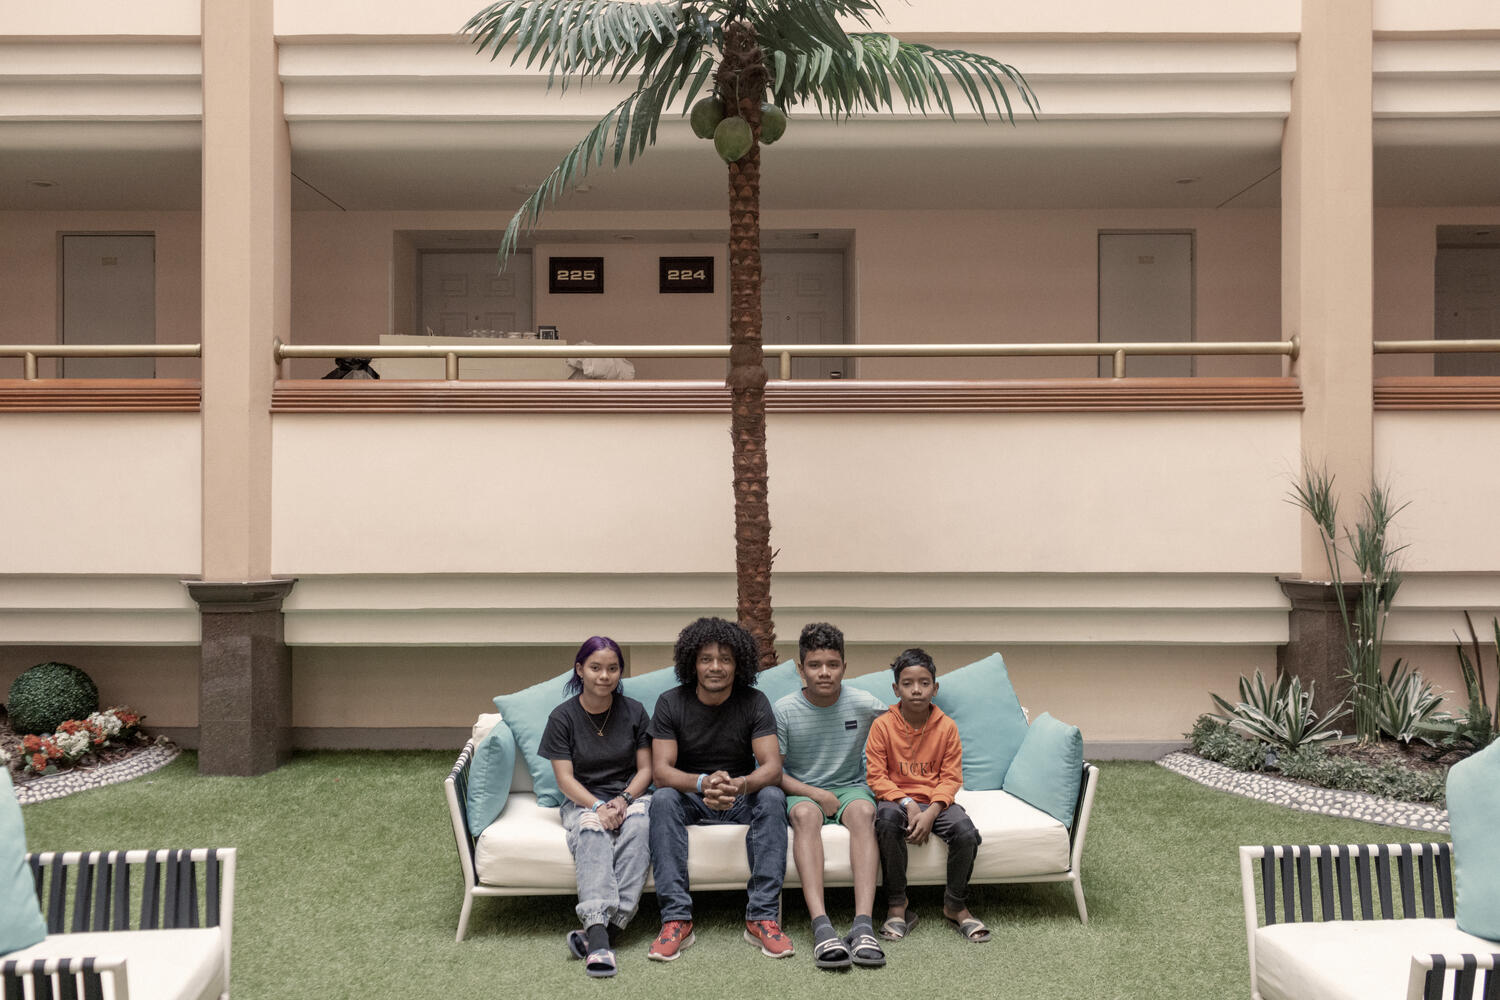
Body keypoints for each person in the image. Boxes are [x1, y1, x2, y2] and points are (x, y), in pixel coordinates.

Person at [646, 616, 794, 962]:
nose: (716, 667)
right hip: (690, 797)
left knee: (773, 796)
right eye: (706, 659)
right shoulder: (670, 703)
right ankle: (676, 920)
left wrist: (740, 785)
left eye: (725, 659)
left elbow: (772, 767)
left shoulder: (754, 701)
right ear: (692, 664)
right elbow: (661, 772)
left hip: (739, 794)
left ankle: (762, 918)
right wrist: (702, 783)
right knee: (663, 800)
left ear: (738, 663)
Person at [774, 622, 889, 970]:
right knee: (806, 817)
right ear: (800, 668)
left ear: (844, 666)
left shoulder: (865, 703)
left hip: (851, 786)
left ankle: (863, 924)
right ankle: (821, 926)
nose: (824, 673)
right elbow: (774, 773)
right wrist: (815, 794)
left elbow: (901, 731)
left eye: (833, 665)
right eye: (814, 665)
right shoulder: (784, 709)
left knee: (864, 816)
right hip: (802, 789)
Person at [538, 636, 654, 978]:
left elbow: (646, 769)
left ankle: (602, 936)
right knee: (592, 832)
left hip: (629, 797)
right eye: (596, 668)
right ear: (580, 670)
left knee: (640, 827)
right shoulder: (563, 717)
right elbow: (564, 779)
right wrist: (599, 806)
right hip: (583, 800)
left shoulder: (634, 711)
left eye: (613, 668)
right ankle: (600, 932)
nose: (605, 675)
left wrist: (623, 800)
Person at [864, 648, 990, 944]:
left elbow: (951, 778)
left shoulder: (947, 727)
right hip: (897, 800)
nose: (916, 690)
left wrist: (932, 810)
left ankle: (955, 905)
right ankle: (897, 905)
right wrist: (907, 804)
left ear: (935, 688)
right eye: (907, 683)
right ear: (896, 689)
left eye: (924, 683)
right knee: (885, 821)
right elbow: (876, 776)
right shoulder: (882, 725)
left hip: (936, 801)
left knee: (966, 832)